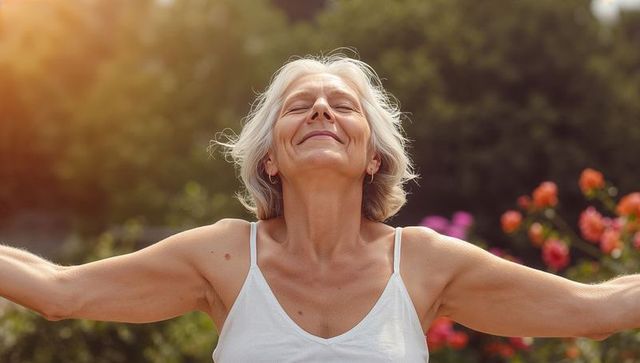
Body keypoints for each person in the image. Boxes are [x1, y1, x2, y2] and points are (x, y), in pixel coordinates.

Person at [0, 53, 635, 363]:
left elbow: (596, 310)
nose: (322, 110)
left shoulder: (422, 263)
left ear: (373, 157)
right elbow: (60, 291)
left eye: (343, 105)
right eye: (300, 105)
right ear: (270, 157)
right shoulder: (224, 255)